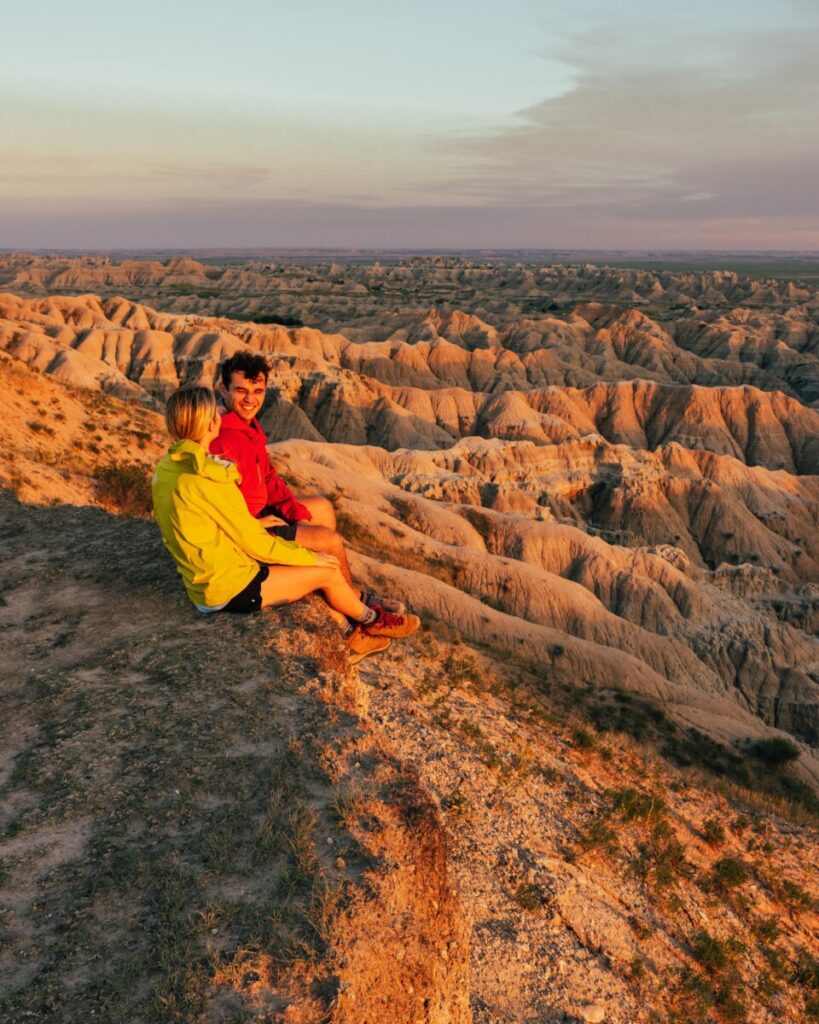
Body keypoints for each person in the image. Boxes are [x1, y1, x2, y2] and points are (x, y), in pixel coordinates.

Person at [152, 385, 419, 664]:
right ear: (210, 422)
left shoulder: (168, 469)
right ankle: (368, 625)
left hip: (204, 579)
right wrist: (311, 557)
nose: (221, 412)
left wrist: (253, 524)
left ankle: (353, 626)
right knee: (325, 570)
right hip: (229, 589)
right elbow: (256, 544)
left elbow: (207, 522)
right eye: (216, 410)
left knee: (306, 563)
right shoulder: (208, 479)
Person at [210, 350, 406, 614]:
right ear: (223, 388)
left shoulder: (247, 426)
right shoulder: (221, 437)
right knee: (329, 541)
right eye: (241, 390)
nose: (250, 399)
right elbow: (218, 504)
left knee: (321, 507)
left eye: (257, 391)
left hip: (261, 514)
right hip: (249, 531)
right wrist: (256, 525)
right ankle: (355, 603)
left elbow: (267, 477)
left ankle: (334, 590)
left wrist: (295, 512)